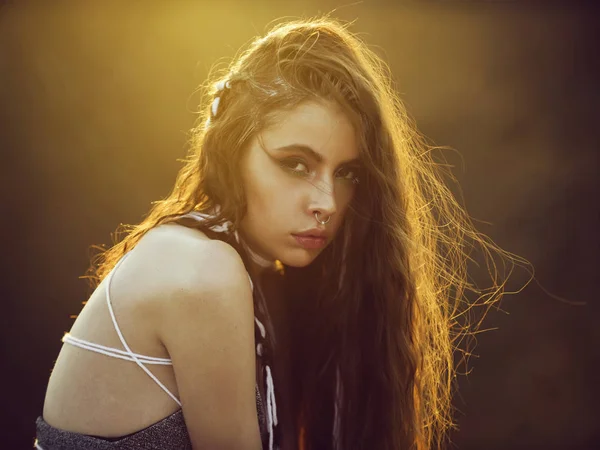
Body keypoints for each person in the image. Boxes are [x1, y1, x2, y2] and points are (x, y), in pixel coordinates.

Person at [35, 16, 521, 450]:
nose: (327, 204)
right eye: (295, 163)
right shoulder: (203, 271)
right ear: (231, 148)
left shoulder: (247, 273)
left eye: (347, 174)